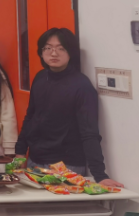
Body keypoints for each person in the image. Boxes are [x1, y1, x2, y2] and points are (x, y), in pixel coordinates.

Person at [15, 28, 121, 187]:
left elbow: (89, 132)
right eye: (48, 48)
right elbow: (31, 117)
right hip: (35, 161)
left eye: (61, 48)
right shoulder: (40, 78)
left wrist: (100, 175)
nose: (54, 53)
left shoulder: (82, 86)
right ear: (41, 52)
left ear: (71, 52)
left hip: (66, 166)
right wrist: (20, 152)